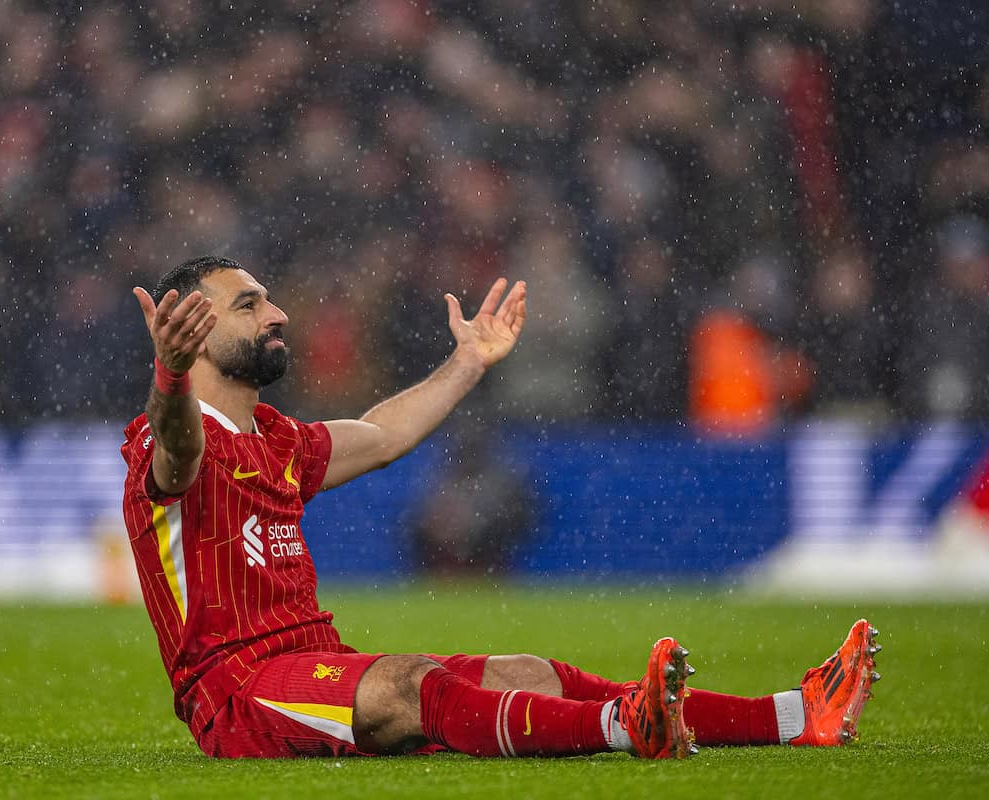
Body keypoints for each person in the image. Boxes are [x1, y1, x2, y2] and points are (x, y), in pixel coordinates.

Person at [121, 255, 882, 759]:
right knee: (412, 685)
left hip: (313, 660)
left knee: (529, 671)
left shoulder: (279, 438)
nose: (278, 312)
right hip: (240, 690)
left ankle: (795, 714)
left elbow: (385, 433)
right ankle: (627, 729)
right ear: (193, 327)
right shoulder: (167, 439)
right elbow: (178, 450)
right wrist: (170, 377)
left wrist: (468, 361)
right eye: (250, 304)